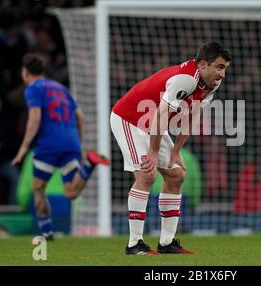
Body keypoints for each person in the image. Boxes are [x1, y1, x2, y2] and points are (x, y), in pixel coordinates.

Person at [111, 42, 231, 255]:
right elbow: (160, 115)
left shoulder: (212, 83)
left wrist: (176, 151)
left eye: (225, 68)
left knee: (176, 175)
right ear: (203, 64)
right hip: (129, 118)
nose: (222, 74)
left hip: (152, 122)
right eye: (219, 67)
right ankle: (134, 244)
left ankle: (167, 243)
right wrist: (154, 153)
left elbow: (194, 115)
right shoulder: (185, 79)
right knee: (147, 175)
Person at [12, 53, 109, 240]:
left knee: (38, 188)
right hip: (70, 141)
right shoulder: (61, 88)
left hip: (49, 144)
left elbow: (35, 117)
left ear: (25, 73)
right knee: (71, 192)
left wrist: (24, 147)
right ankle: (88, 165)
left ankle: (47, 234)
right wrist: (79, 144)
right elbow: (80, 117)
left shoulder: (32, 88)